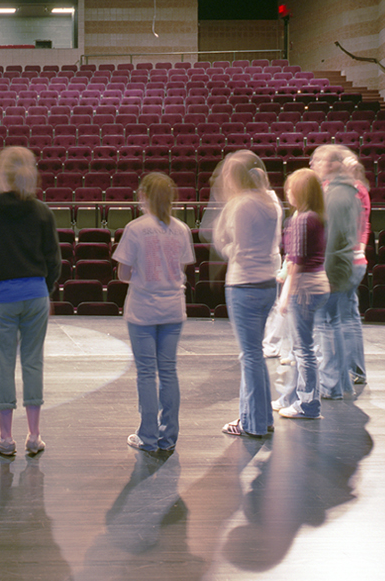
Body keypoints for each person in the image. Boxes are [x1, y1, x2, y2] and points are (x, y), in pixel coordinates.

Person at [0, 146, 61, 457]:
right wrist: (43, 288)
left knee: (4, 366)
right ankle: (35, 436)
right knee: (33, 363)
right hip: (35, 294)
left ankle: (6, 437)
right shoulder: (42, 211)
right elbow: (54, 260)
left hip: (1, 296)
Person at [115, 172, 193, 453]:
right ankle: (169, 436)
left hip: (143, 309)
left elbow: (123, 273)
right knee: (169, 371)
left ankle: (147, 436)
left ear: (144, 195)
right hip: (173, 308)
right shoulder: (182, 229)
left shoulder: (135, 228)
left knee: (147, 373)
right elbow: (182, 268)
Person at [210, 150, 282, 438]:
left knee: (250, 356)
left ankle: (253, 423)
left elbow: (234, 248)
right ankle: (259, 418)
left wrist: (223, 244)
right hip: (267, 283)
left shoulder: (239, 205)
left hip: (244, 285)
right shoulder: (272, 200)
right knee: (254, 356)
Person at [311, 144, 370, 398]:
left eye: (318, 160)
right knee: (347, 319)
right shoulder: (355, 190)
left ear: (335, 165)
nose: (312, 164)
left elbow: (334, 237)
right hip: (353, 261)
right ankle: (351, 374)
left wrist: (324, 272)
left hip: (340, 265)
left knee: (329, 324)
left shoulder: (338, 193)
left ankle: (333, 382)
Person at [275, 168, 329, 421]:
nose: (287, 193)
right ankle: (290, 397)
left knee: (303, 350)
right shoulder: (315, 217)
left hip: (304, 289)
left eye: (290, 188)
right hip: (317, 284)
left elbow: (295, 262)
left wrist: (285, 294)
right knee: (301, 348)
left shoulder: (301, 219)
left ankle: (308, 404)